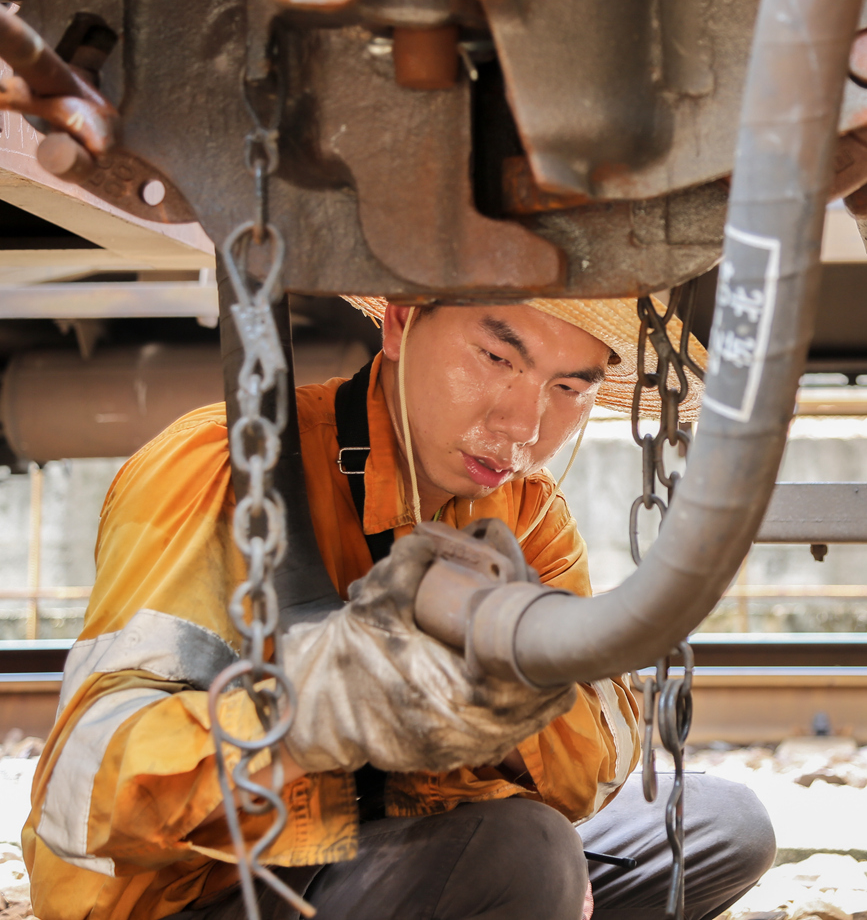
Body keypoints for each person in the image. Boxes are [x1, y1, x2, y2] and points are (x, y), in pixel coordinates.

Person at [23, 296, 776, 920]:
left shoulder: (526, 508)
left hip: (419, 846)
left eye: (568, 389)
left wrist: (516, 708)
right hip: (224, 890)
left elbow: (601, 758)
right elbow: (87, 792)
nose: (522, 424)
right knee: (525, 850)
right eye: (496, 358)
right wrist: (322, 709)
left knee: (720, 826)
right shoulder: (223, 468)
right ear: (400, 322)